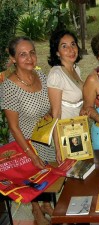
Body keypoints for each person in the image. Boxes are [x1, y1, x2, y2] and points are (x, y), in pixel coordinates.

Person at [0, 37, 55, 225]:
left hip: (44, 140)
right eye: (23, 54)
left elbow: (48, 107)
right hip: (24, 146)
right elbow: (13, 127)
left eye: (32, 52)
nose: (30, 58)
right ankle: (35, 209)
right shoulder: (9, 87)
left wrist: (48, 115)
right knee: (31, 184)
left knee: (46, 179)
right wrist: (31, 154)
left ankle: (44, 204)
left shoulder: (42, 76)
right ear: (14, 58)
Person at [47, 30, 83, 163]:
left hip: (78, 129)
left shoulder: (75, 69)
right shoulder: (56, 75)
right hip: (65, 134)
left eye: (73, 44)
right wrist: (58, 148)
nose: (71, 49)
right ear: (57, 52)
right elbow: (55, 114)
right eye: (64, 46)